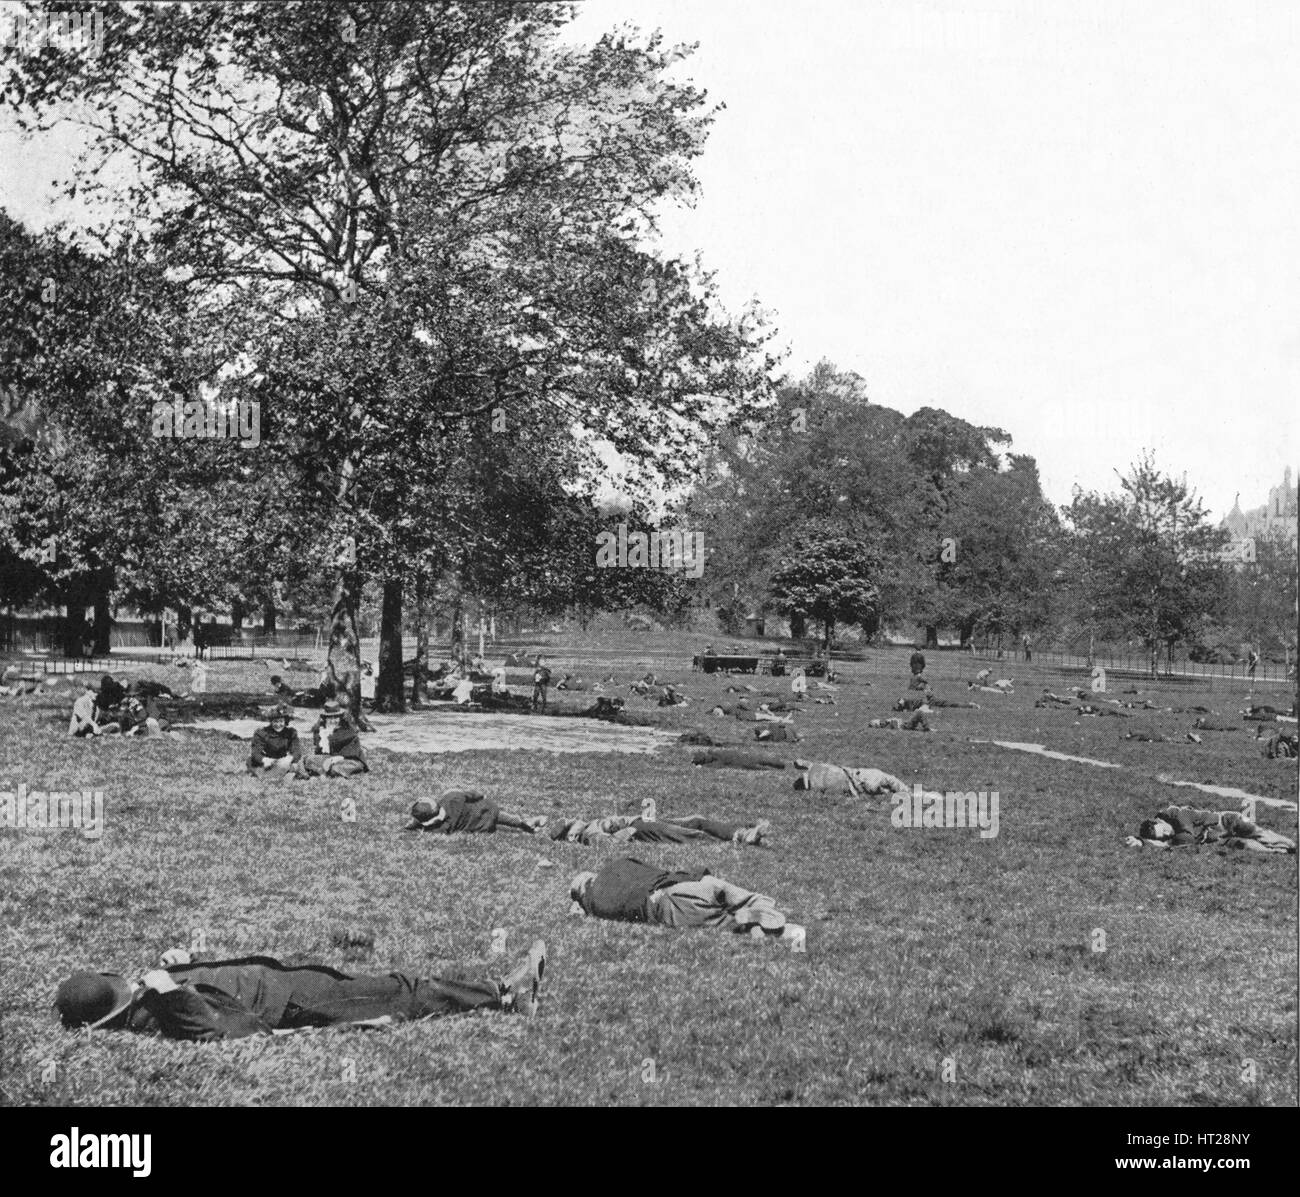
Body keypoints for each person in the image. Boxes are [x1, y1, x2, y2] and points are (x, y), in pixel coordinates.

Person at [53, 940, 548, 1039]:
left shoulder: (148, 994)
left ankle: (499, 991)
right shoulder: (157, 1010)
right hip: (289, 1001)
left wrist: (182, 966)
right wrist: (172, 989)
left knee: (385, 985)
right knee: (401, 991)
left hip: (284, 981)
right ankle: (503, 995)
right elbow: (225, 1030)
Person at [569, 859, 804, 948]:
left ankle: (772, 929)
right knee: (742, 896)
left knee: (728, 926)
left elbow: (593, 909)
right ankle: (761, 908)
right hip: (692, 883)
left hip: (673, 905)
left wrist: (581, 907)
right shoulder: (618, 866)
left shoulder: (594, 902)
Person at [1125, 805, 1295, 854]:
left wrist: (1168, 842)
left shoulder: (1179, 814)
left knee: (1260, 834)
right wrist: (1142, 841)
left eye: (1164, 831)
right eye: (1163, 837)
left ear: (1158, 821)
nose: (1168, 834)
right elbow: (1169, 844)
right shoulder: (1170, 832)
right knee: (1248, 846)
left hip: (1228, 821)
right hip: (1219, 838)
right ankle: (1282, 852)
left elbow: (1188, 839)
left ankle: (1292, 845)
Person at [544, 812, 770, 848]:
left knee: (696, 820)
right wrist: (628, 832)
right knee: (690, 835)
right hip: (641, 827)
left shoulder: (588, 825)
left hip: (641, 819)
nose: (575, 819)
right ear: (571, 834)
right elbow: (610, 843)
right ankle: (743, 838)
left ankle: (737, 832)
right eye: (570, 823)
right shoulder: (588, 834)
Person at [403, 791, 545, 835]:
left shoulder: (443, 827)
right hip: (486, 810)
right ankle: (525, 824)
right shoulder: (452, 798)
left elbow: (426, 826)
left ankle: (523, 830)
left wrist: (416, 825)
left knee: (499, 828)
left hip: (480, 826)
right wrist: (482, 797)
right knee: (505, 818)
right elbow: (472, 794)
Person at [295, 701, 367, 778]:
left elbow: (351, 754)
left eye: (336, 718)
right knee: (307, 759)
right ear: (325, 719)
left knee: (336, 768)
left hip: (349, 760)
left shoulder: (349, 731)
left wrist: (332, 760)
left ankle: (320, 772)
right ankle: (308, 775)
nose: (333, 721)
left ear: (340, 718)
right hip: (328, 758)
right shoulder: (320, 731)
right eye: (329, 718)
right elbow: (320, 752)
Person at [247, 703, 303, 779]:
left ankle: (281, 773)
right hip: (266, 762)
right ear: (271, 721)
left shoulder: (291, 733)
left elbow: (297, 751)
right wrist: (265, 760)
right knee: (251, 763)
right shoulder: (261, 733)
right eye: (275, 721)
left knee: (297, 764)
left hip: (282, 760)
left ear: (285, 721)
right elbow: (255, 752)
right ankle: (275, 775)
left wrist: (288, 759)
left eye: (281, 721)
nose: (278, 724)